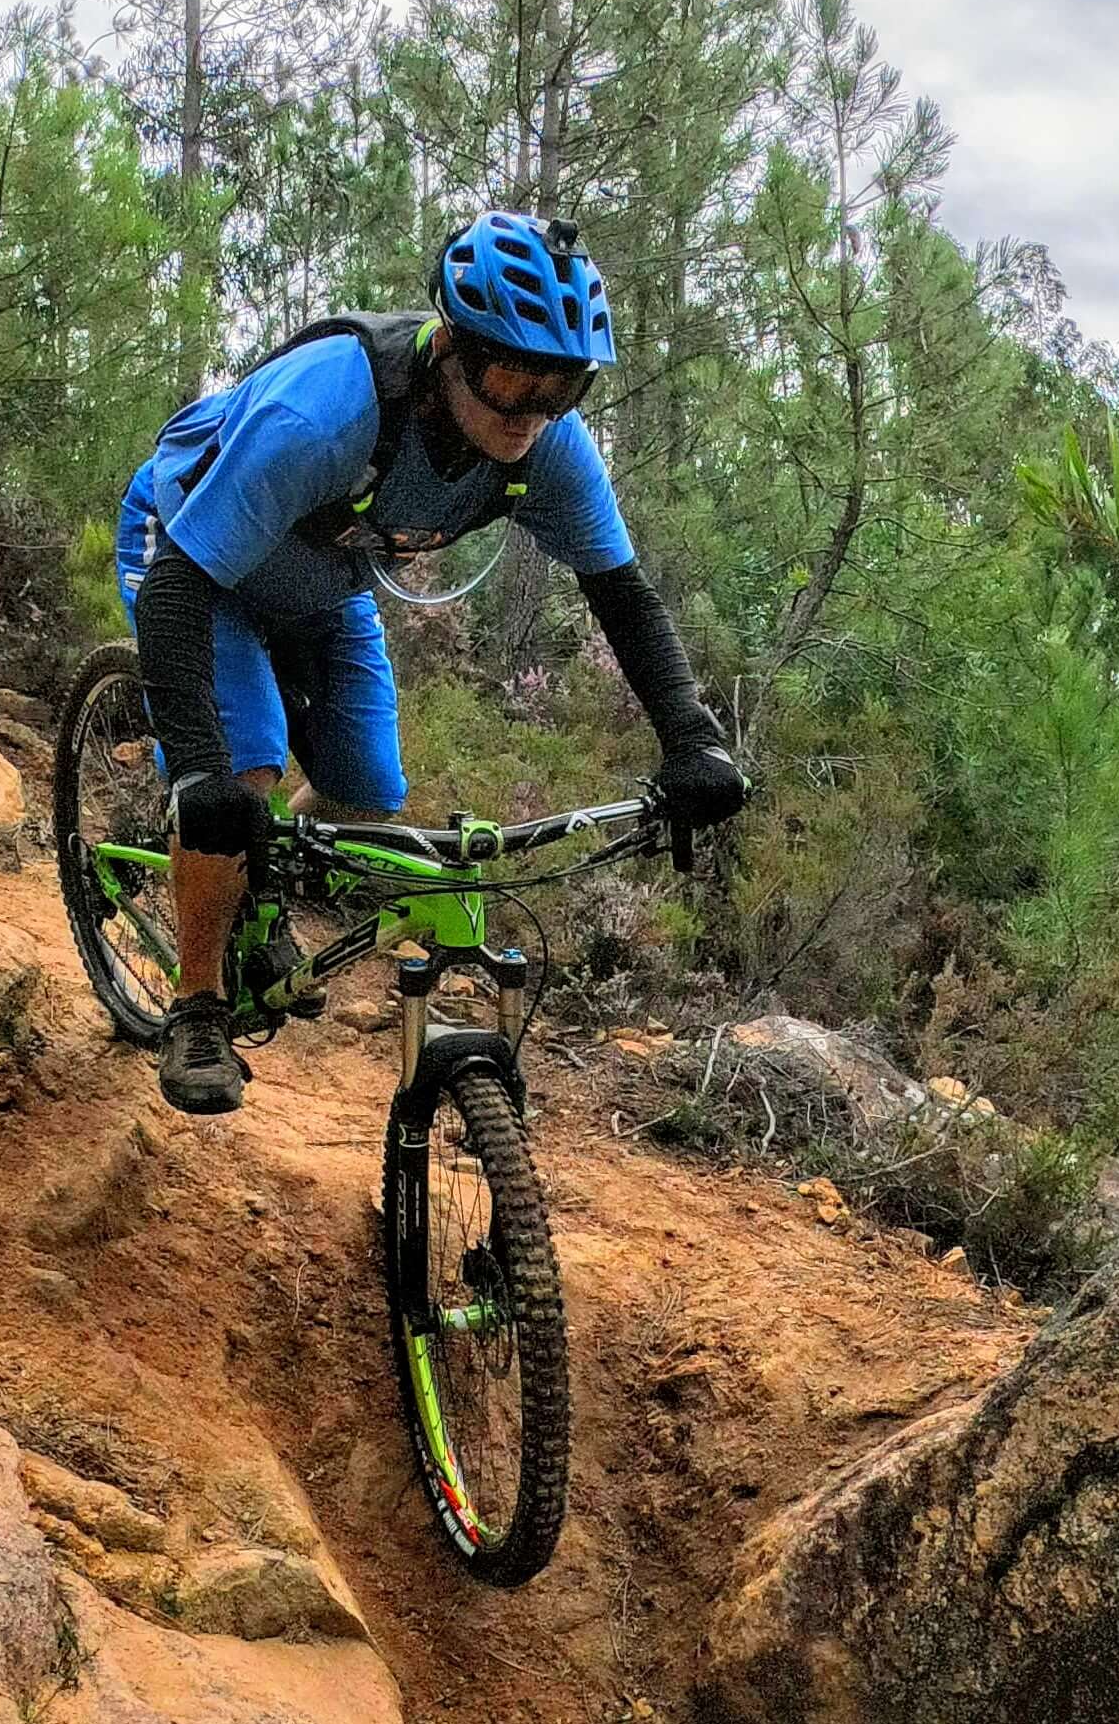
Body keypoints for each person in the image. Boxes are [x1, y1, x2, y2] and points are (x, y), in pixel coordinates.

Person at [115, 209, 748, 1115]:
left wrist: (692, 738)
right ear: (450, 347)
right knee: (243, 769)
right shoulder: (325, 411)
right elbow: (178, 585)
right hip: (191, 554)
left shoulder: (550, 452)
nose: (528, 412)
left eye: (559, 388)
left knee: (367, 793)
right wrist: (205, 774)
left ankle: (257, 885)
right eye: (508, 377)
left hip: (324, 582)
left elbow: (622, 595)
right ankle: (197, 1005)